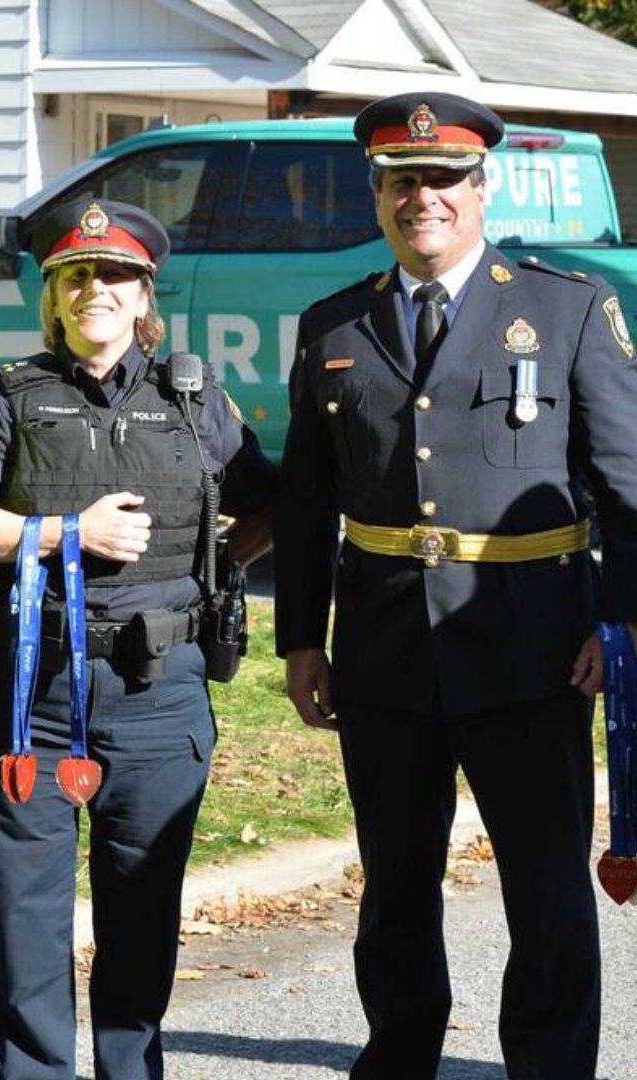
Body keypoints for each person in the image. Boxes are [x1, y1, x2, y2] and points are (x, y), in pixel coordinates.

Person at [276, 89, 637, 1080]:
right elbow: (308, 502)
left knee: (548, 893)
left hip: (534, 649)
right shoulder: (332, 325)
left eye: (441, 180)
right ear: (379, 196)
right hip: (387, 655)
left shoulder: (563, 309)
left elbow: (628, 486)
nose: (420, 197)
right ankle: (399, 1063)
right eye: (401, 182)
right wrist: (302, 639)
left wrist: (623, 625)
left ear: (482, 189)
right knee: (395, 892)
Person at [0, 197, 274, 1080]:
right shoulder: (11, 397)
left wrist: (215, 566)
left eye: (114, 275)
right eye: (75, 276)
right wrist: (59, 536)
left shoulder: (195, 400)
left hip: (158, 693)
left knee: (143, 918)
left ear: (142, 295)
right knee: (24, 917)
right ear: (54, 297)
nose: (95, 290)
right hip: (31, 688)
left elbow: (271, 506)